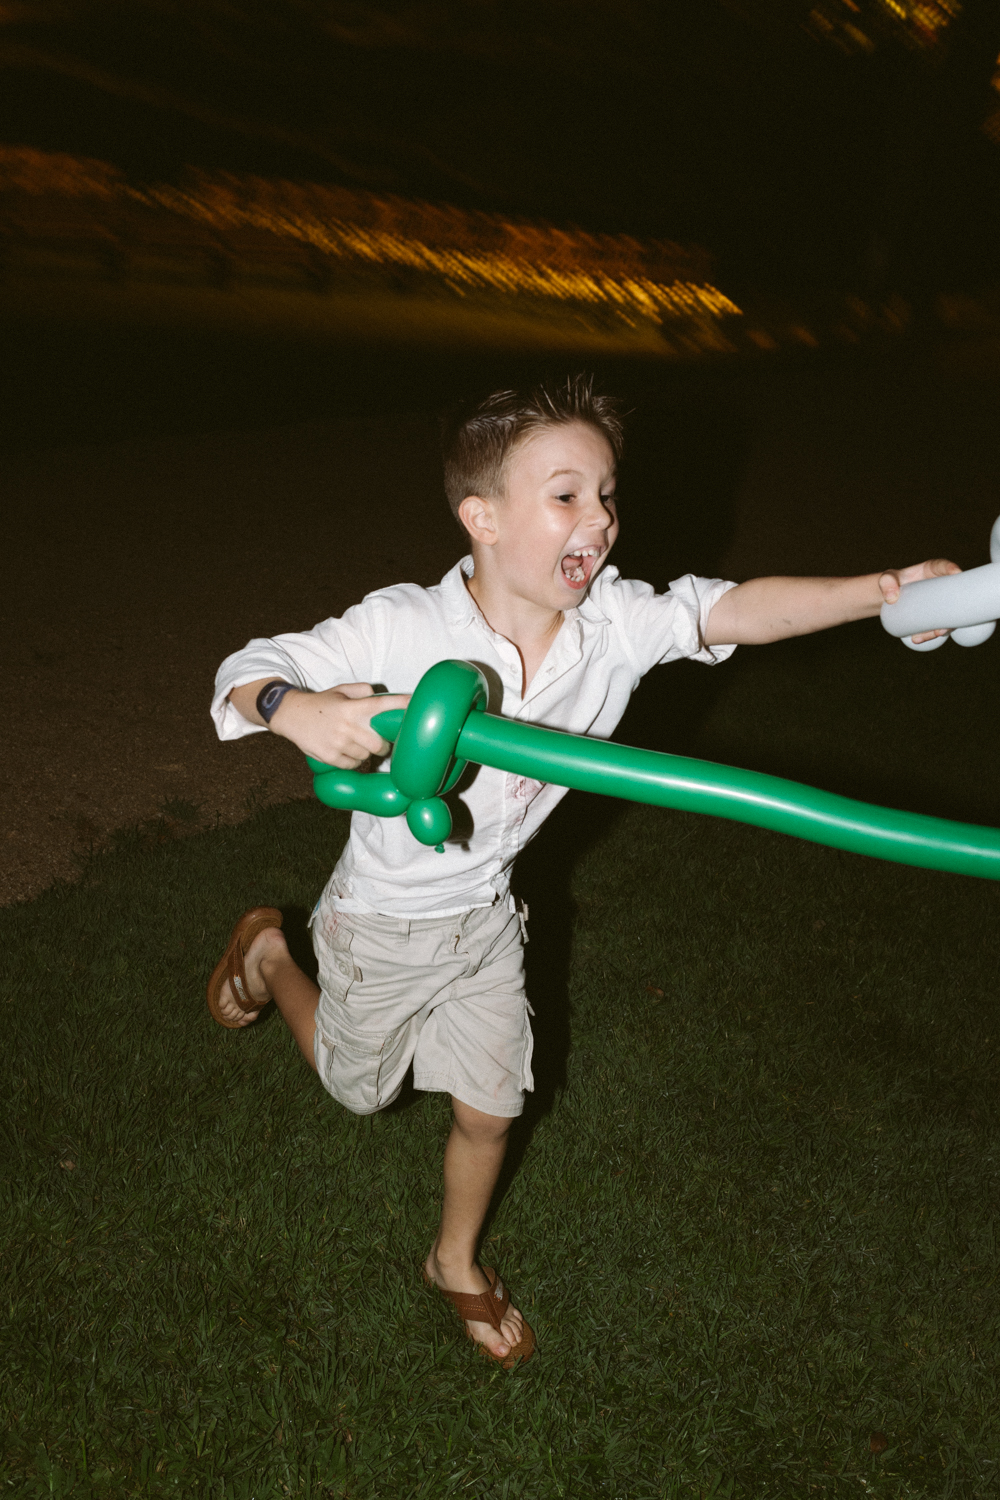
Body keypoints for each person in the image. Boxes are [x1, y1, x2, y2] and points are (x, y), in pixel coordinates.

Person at [208, 376, 955, 1368]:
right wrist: (292, 709)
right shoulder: (402, 627)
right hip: (383, 917)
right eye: (565, 495)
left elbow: (738, 610)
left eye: (605, 494)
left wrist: (883, 592)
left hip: (485, 914)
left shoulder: (614, 624)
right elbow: (243, 668)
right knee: (359, 1089)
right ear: (480, 518)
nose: (599, 520)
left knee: (491, 1109)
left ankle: (451, 1259)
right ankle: (269, 953)